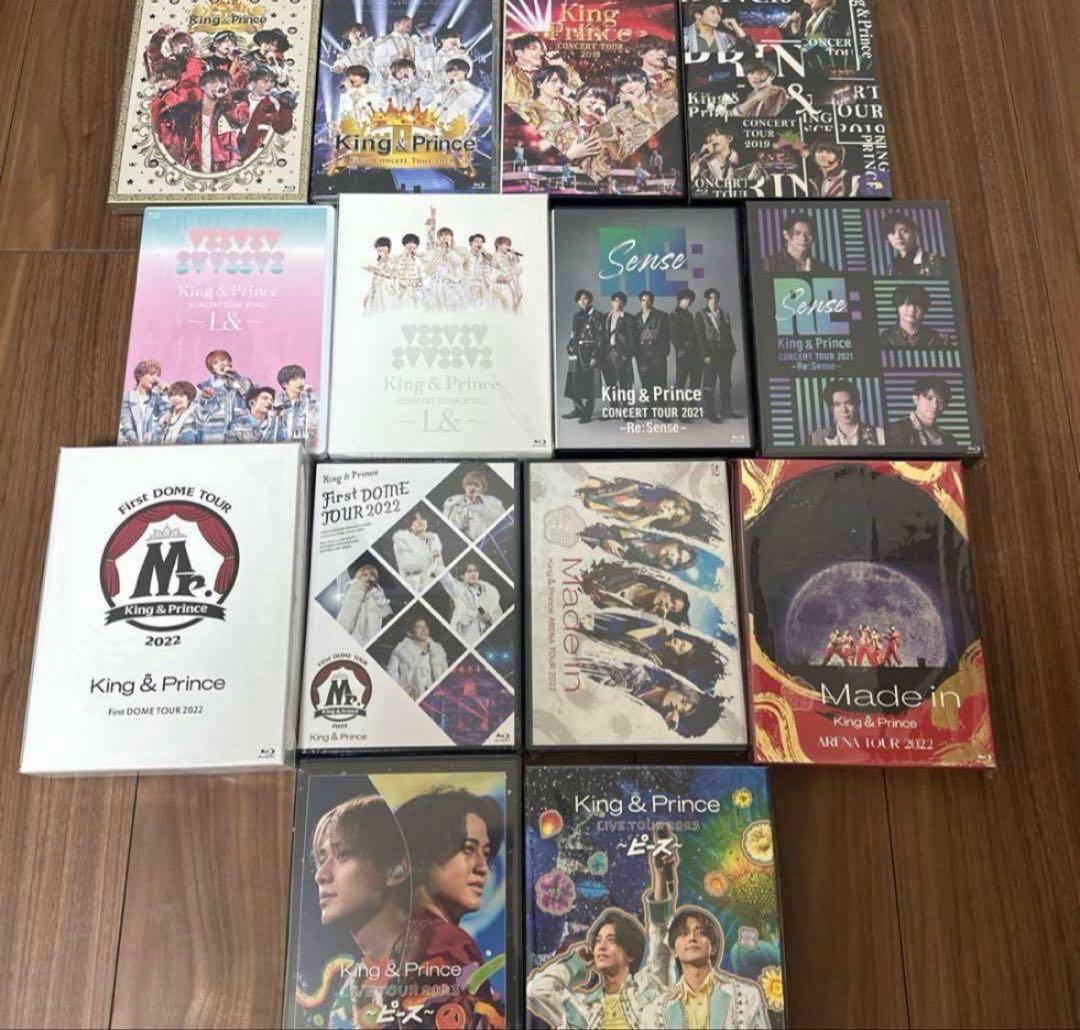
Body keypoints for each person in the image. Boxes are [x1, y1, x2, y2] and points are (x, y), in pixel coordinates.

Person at [526, 829, 676, 1027]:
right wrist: (575, 964)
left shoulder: (649, 991)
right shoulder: (583, 1009)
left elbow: (661, 935)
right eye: (597, 941)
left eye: (611, 940)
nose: (601, 947)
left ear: (630, 954)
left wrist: (660, 875)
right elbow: (536, 991)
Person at [395, 788, 506, 1025]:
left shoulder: (395, 937)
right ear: (422, 855)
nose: (483, 867)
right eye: (468, 849)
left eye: (486, 854)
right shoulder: (448, 942)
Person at [310, 794, 411, 1023]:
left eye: (342, 854)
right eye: (321, 859)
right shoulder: (351, 991)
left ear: (396, 870)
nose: (320, 875)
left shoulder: (439, 966)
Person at [653, 907, 771, 1028]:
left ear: (713, 947)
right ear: (674, 949)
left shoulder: (747, 997)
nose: (692, 938)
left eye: (700, 933)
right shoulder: (655, 1011)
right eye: (684, 933)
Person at [577, 660, 724, 739]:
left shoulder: (641, 715)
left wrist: (666, 723)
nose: (677, 708)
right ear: (676, 687)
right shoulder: (638, 672)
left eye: (681, 711)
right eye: (683, 701)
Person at [580, 561, 690, 624]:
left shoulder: (628, 616)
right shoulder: (630, 573)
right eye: (672, 600)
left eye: (672, 609)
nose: (668, 605)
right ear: (665, 587)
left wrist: (647, 617)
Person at [579, 524, 696, 573]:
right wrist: (606, 538)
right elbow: (605, 525)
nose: (674, 556)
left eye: (678, 561)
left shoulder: (640, 566)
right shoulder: (646, 533)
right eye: (679, 551)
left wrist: (659, 567)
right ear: (675, 542)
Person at [696, 288, 738, 422]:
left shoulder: (725, 314)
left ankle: (726, 410)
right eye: (711, 298)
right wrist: (705, 354)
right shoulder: (700, 314)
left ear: (718, 299)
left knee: (726, 382)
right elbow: (700, 337)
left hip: (725, 353)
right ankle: (710, 412)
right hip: (711, 352)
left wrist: (732, 349)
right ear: (706, 300)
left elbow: (728, 334)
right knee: (709, 383)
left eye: (715, 298)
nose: (713, 300)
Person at [236, 64, 293, 160]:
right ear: (253, 82)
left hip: (256, 155)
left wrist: (278, 107)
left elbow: (283, 129)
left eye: (272, 81)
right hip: (232, 151)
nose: (270, 85)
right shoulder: (239, 99)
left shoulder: (276, 104)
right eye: (265, 81)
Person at [438, 561, 502, 644]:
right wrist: (438, 566)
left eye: (475, 571)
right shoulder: (459, 589)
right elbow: (447, 581)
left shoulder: (489, 591)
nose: (473, 574)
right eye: (469, 571)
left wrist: (491, 618)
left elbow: (499, 615)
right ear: (462, 575)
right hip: (466, 637)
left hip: (487, 640)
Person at [885, 377, 959, 449]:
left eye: (940, 401)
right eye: (929, 398)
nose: (935, 405)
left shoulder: (948, 438)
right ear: (915, 399)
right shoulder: (897, 430)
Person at [564, 289, 603, 423]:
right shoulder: (577, 315)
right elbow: (574, 333)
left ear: (590, 300)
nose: (582, 301)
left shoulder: (597, 315)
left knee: (590, 384)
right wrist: (570, 347)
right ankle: (578, 409)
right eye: (580, 300)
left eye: (585, 298)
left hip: (590, 353)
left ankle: (587, 412)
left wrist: (595, 356)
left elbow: (599, 338)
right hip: (577, 353)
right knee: (573, 382)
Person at [197, 349, 252, 442]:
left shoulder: (242, 381)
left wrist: (233, 374)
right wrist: (205, 398)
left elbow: (248, 395)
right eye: (215, 363)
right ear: (212, 369)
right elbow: (200, 411)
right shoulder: (205, 385)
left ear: (229, 362)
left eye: (223, 360)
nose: (220, 364)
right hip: (215, 431)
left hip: (241, 429)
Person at [386, 617, 448, 698]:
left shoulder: (437, 650)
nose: (424, 630)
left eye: (425, 626)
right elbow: (391, 673)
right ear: (410, 632)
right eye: (419, 627)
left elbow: (445, 673)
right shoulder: (401, 651)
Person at [810, 379, 884, 446]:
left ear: (857, 404)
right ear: (831, 408)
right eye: (837, 404)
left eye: (848, 403)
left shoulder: (879, 434)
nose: (844, 410)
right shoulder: (817, 438)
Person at [689, 127, 765, 190]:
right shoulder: (700, 162)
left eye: (717, 134)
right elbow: (688, 184)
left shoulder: (746, 160)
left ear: (729, 138)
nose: (712, 138)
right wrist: (699, 158)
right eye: (708, 135)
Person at [336, 564, 393, 645]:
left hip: (368, 642)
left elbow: (387, 613)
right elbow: (341, 576)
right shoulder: (350, 587)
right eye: (365, 574)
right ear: (359, 575)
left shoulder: (377, 593)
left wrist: (377, 595)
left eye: (372, 575)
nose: (368, 577)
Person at [442, 470, 506, 540]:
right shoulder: (454, 502)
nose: (473, 487)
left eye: (477, 485)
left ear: (482, 489)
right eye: (469, 484)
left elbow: (499, 519)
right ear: (465, 486)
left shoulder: (490, 502)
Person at [760, 213, 834, 274]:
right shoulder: (768, 264)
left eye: (808, 234)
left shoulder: (822, 268)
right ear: (786, 234)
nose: (803, 239)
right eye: (797, 233)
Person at [634, 290, 670, 412]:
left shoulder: (661, 316)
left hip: (657, 355)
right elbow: (634, 338)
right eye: (643, 300)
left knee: (660, 383)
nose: (646, 302)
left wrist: (663, 352)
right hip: (642, 356)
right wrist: (636, 354)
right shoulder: (635, 318)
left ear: (652, 301)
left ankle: (662, 411)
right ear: (640, 302)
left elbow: (666, 336)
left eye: (648, 300)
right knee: (645, 383)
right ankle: (649, 409)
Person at [879, 284, 946, 348]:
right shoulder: (884, 338)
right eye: (907, 304)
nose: (912, 309)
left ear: (924, 309)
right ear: (898, 306)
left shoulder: (938, 339)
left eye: (918, 305)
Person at [392, 510, 444, 591]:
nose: (420, 521)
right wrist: (431, 557)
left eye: (421, 518)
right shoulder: (401, 539)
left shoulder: (432, 539)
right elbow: (409, 564)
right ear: (410, 526)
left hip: (432, 582)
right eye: (415, 519)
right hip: (413, 584)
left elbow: (439, 564)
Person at [883, 213, 947, 278]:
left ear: (915, 233)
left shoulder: (937, 262)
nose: (898, 237)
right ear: (888, 238)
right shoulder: (890, 270)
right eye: (892, 233)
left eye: (904, 231)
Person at [119, 359, 167, 444]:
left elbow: (170, 411)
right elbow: (125, 421)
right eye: (152, 374)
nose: (155, 378)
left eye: (157, 376)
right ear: (140, 376)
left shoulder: (158, 398)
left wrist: (165, 390)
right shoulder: (127, 397)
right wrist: (133, 440)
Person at [601, 291, 637, 394]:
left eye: (621, 301)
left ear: (624, 303)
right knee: (610, 383)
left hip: (621, 354)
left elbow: (632, 340)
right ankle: (614, 403)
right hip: (607, 354)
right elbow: (601, 337)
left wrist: (626, 356)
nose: (619, 303)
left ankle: (625, 403)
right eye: (616, 300)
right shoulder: (605, 317)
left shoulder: (628, 318)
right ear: (611, 302)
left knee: (625, 383)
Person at [671, 289, 701, 409]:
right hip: (683, 353)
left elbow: (694, 334)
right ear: (680, 299)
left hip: (694, 352)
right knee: (680, 382)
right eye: (686, 299)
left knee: (696, 379)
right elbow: (674, 336)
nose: (688, 301)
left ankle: (693, 407)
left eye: (690, 299)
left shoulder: (689, 315)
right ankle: (679, 409)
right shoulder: (674, 315)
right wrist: (680, 350)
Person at [683, 3, 751, 55]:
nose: (718, 17)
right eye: (712, 13)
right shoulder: (684, 35)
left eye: (719, 14)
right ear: (698, 15)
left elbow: (749, 54)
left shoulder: (725, 37)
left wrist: (737, 28)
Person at [276, 364, 318, 447]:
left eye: (302, 378)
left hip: (305, 446)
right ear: (285, 384)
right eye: (295, 379)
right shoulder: (277, 402)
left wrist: (311, 398)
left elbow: (316, 426)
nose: (301, 382)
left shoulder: (310, 399)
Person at [363, 236, 396, 313]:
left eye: (383, 246)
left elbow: (391, 274)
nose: (380, 248)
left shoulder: (391, 260)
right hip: (376, 290)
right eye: (378, 247)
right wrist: (368, 294)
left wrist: (374, 270)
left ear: (388, 248)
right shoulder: (379, 261)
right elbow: (375, 280)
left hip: (384, 292)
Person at [393, 232, 425, 307]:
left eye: (413, 243)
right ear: (405, 244)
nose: (411, 245)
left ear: (417, 245)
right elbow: (395, 274)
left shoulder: (420, 259)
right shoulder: (398, 258)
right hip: (402, 291)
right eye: (408, 242)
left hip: (415, 291)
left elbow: (423, 275)